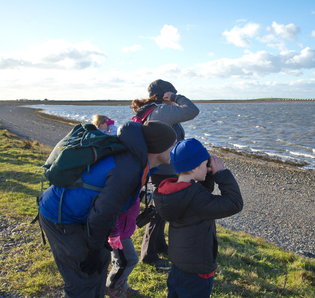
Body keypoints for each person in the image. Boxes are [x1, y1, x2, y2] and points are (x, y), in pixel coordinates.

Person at [39, 120, 177, 298]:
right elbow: (103, 213)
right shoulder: (128, 169)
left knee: (101, 262)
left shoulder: (138, 161)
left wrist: (98, 247)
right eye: (172, 144)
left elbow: (110, 209)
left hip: (82, 216)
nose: (175, 148)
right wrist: (93, 249)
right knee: (83, 278)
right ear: (158, 147)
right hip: (59, 215)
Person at [153, 138, 243, 297]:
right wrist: (221, 174)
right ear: (194, 168)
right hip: (197, 271)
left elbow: (200, 193)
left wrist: (205, 173)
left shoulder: (174, 191)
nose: (207, 167)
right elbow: (234, 203)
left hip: (179, 265)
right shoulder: (196, 198)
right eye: (204, 164)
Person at [132, 79, 199, 270]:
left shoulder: (152, 110)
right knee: (158, 212)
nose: (175, 97)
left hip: (161, 168)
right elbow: (192, 110)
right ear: (165, 95)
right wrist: (176, 98)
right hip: (163, 169)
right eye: (172, 93)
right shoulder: (160, 110)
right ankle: (148, 255)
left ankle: (160, 246)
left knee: (162, 212)